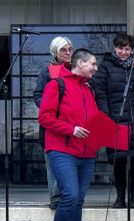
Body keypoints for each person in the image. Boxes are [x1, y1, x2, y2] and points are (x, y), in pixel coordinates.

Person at [38, 48, 101, 221]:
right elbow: (44, 118)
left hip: (87, 153)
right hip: (62, 150)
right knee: (70, 196)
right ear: (80, 63)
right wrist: (71, 129)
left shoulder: (89, 89)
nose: (95, 67)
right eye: (92, 63)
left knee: (79, 200)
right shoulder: (57, 85)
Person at [93, 32, 134, 209]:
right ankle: (120, 197)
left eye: (127, 49)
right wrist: (106, 116)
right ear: (115, 48)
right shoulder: (105, 66)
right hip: (116, 119)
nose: (124, 52)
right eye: (121, 48)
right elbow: (100, 92)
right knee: (119, 160)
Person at [33, 36, 73, 210]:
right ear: (55, 52)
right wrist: (51, 107)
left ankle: (70, 195)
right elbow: (37, 95)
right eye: (63, 50)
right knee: (53, 161)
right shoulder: (47, 72)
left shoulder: (76, 69)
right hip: (52, 124)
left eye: (70, 49)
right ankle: (55, 197)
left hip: (73, 123)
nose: (68, 53)